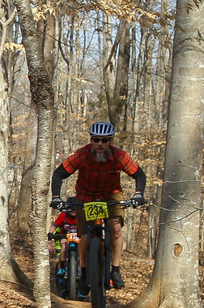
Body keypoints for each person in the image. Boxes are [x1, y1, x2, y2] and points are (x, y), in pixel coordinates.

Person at [49, 121, 147, 289]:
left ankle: (115, 270)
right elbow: (59, 173)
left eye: (104, 140)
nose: (100, 144)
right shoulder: (82, 155)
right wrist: (56, 197)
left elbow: (139, 174)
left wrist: (138, 194)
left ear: (111, 141)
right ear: (91, 140)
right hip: (86, 196)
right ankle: (84, 271)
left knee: (115, 228)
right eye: (96, 140)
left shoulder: (119, 156)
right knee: (85, 237)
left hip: (111, 195)